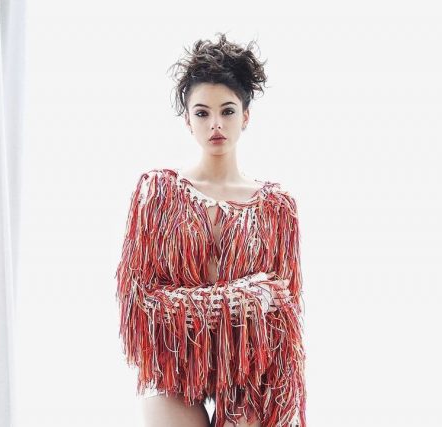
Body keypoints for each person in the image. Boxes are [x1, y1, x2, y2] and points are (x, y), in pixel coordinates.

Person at [115, 32, 307, 427]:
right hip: (175, 362)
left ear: (246, 117)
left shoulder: (276, 206)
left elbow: (285, 314)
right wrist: (240, 299)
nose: (215, 124)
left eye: (228, 111)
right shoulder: (158, 192)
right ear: (188, 121)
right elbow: (138, 300)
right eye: (202, 113)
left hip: (251, 373)